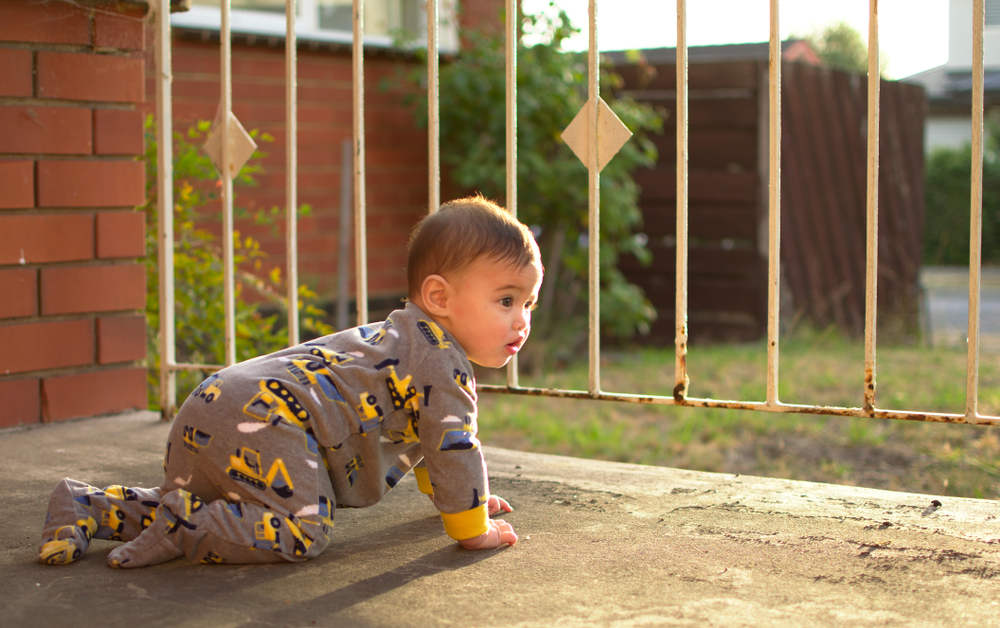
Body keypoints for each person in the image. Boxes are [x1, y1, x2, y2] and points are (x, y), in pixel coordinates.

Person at [38, 195, 543, 567]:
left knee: (235, 505)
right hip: (271, 419)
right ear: (439, 296)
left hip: (219, 401)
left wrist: (460, 499)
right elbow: (454, 444)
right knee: (301, 531)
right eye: (506, 300)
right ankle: (186, 527)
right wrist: (471, 526)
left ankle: (89, 506)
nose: (521, 320)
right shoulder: (440, 359)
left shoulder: (400, 337)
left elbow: (432, 441)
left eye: (528, 304)